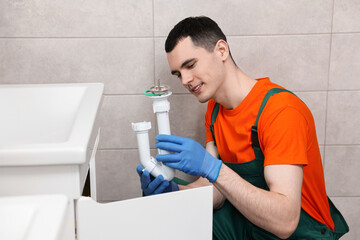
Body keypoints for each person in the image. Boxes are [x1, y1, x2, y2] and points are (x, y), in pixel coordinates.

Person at [136, 16, 349, 239]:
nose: (185, 80)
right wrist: (173, 192)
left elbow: (285, 222)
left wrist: (212, 167)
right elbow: (217, 193)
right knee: (169, 210)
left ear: (221, 50)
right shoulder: (215, 110)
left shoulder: (280, 111)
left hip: (300, 232)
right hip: (249, 219)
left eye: (190, 65)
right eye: (178, 74)